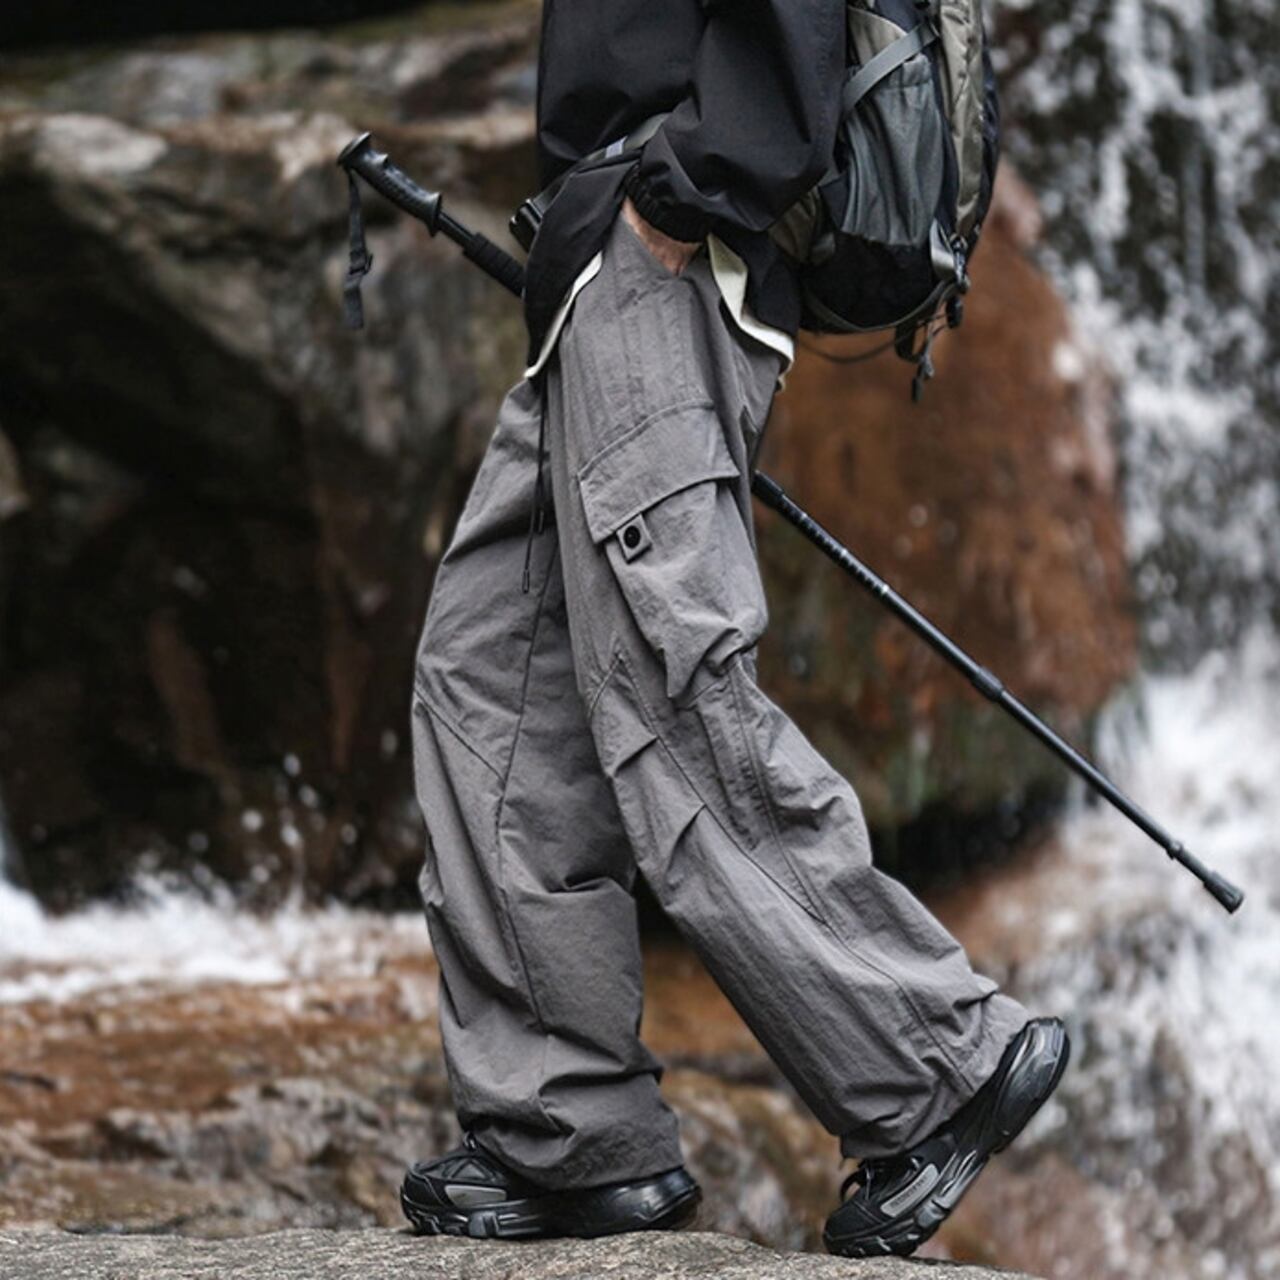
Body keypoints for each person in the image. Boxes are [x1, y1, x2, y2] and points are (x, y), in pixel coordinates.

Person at [401, 0, 1069, 1258]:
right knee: (486, 678)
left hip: (666, 250)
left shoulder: (673, 213)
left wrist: (691, 187)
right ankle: (567, 1133)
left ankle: (938, 1065)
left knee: (672, 689)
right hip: (601, 264)